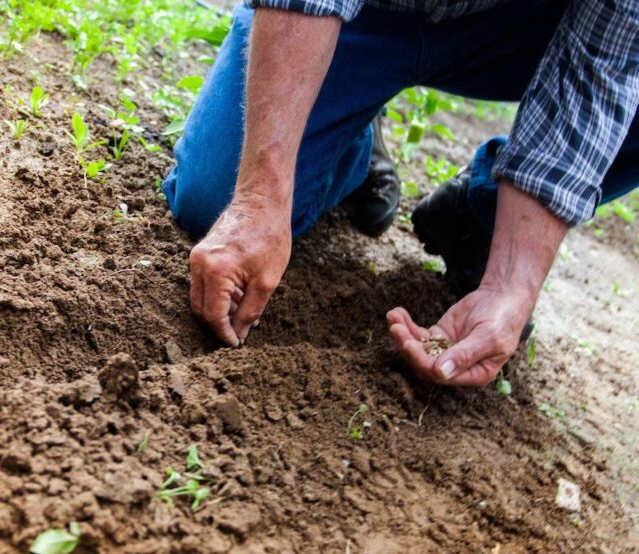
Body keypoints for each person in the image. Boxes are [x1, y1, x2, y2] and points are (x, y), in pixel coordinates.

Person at [162, 0, 639, 387]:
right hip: (365, 15)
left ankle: (483, 219)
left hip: (518, 28)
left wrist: (511, 284)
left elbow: (604, 66)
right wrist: (259, 198)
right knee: (215, 200)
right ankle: (351, 141)